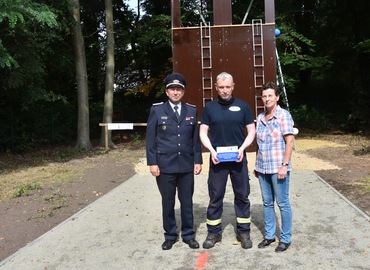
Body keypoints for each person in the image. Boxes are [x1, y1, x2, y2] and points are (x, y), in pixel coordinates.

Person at [146, 72, 203, 250]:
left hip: (186, 164)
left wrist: (198, 160)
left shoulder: (191, 110)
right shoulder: (157, 110)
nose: (175, 92)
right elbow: (150, 139)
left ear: (183, 91)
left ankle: (188, 234)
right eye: (172, 89)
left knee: (187, 202)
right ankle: (170, 235)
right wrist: (152, 163)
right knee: (168, 202)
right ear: (167, 91)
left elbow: (195, 140)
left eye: (179, 89)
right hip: (165, 166)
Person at [199, 72, 256, 249]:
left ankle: (243, 231)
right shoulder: (209, 108)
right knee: (215, 196)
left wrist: (242, 149)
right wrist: (211, 151)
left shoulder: (243, 106)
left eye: (227, 87)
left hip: (238, 159)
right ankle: (214, 233)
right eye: (221, 87)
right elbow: (203, 132)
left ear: (233, 86)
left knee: (242, 196)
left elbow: (251, 131)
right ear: (216, 87)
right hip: (217, 160)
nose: (224, 90)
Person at [254, 82, 295, 253]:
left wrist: (284, 166)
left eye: (270, 95)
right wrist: (256, 164)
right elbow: (259, 144)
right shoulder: (261, 117)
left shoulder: (283, 116)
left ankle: (285, 238)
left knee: (283, 203)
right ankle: (269, 236)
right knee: (267, 203)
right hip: (263, 168)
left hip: (278, 167)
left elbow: (290, 141)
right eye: (264, 96)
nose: (267, 99)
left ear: (277, 97)